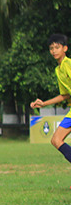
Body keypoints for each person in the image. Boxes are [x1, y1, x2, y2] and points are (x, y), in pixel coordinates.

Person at [29, 33, 71, 167]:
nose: (54, 51)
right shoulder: (58, 70)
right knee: (56, 140)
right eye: (51, 48)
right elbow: (64, 95)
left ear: (65, 48)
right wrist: (44, 103)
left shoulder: (68, 64)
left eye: (57, 47)